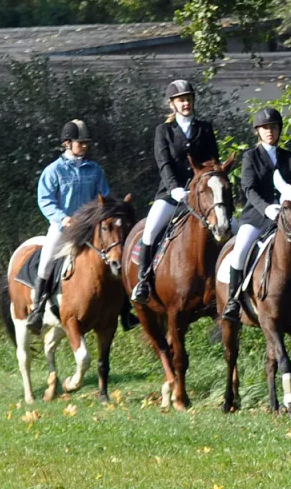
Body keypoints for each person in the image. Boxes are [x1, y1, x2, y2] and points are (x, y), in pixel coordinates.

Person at [29, 120, 138, 331]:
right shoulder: (53, 171)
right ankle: (37, 309)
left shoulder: (94, 170)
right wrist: (62, 218)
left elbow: (104, 197)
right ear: (67, 143)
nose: (85, 146)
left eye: (87, 143)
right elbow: (45, 200)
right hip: (63, 229)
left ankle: (125, 311)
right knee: (46, 261)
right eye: (81, 143)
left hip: (91, 230)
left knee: (118, 259)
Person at [131, 80, 221, 303]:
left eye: (188, 99)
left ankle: (229, 286)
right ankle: (143, 281)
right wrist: (174, 189)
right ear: (172, 104)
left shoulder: (205, 128)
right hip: (172, 195)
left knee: (229, 226)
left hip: (202, 196)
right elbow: (164, 163)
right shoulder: (164, 131)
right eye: (181, 100)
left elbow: (213, 163)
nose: (186, 103)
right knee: (150, 231)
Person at [223, 108, 291, 322]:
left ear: (279, 130)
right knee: (240, 251)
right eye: (265, 128)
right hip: (257, 217)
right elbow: (249, 188)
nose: (270, 131)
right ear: (258, 131)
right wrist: (267, 208)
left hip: (286, 218)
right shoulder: (250, 156)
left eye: (273, 127)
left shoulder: (290, 158)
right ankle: (233, 299)